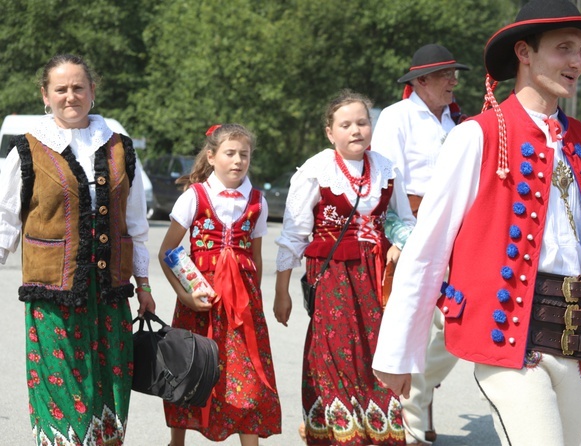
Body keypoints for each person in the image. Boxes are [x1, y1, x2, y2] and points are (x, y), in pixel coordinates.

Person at [371, 1, 581, 445]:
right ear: (524, 52)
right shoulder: (477, 134)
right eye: (564, 48)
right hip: (510, 338)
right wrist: (398, 351)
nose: (577, 63)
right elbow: (428, 248)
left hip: (574, 339)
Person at [0, 53, 156, 445]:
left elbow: (134, 225)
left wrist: (145, 287)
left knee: (111, 389)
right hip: (53, 292)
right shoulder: (26, 150)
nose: (71, 96)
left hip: (109, 293)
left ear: (92, 91)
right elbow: (4, 222)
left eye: (78, 87)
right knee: (62, 390)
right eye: (61, 89)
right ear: (45, 96)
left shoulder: (120, 147)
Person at [273, 89, 415, 445]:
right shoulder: (316, 170)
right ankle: (340, 435)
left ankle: (378, 431)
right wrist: (281, 293)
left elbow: (404, 220)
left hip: (376, 276)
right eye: (346, 124)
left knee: (376, 351)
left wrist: (399, 243)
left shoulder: (386, 168)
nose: (356, 130)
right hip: (333, 275)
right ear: (329, 132)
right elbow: (294, 234)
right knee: (335, 351)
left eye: (362, 122)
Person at [371, 43, 469, 445]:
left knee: (458, 322)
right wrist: (399, 237)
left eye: (455, 74)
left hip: (456, 227)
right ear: (421, 80)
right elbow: (388, 179)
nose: (454, 81)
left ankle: (418, 394)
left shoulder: (458, 120)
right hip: (412, 225)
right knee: (410, 321)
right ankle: (413, 420)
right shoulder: (397, 116)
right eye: (446, 74)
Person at [158, 123, 281, 446]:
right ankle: (177, 441)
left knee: (248, 375)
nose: (238, 160)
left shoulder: (257, 201)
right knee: (191, 367)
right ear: (212, 157)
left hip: (242, 306)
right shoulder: (194, 197)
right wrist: (185, 297)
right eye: (230, 153)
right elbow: (166, 252)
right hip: (201, 300)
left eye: (245, 154)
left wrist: (256, 301)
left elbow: (256, 258)